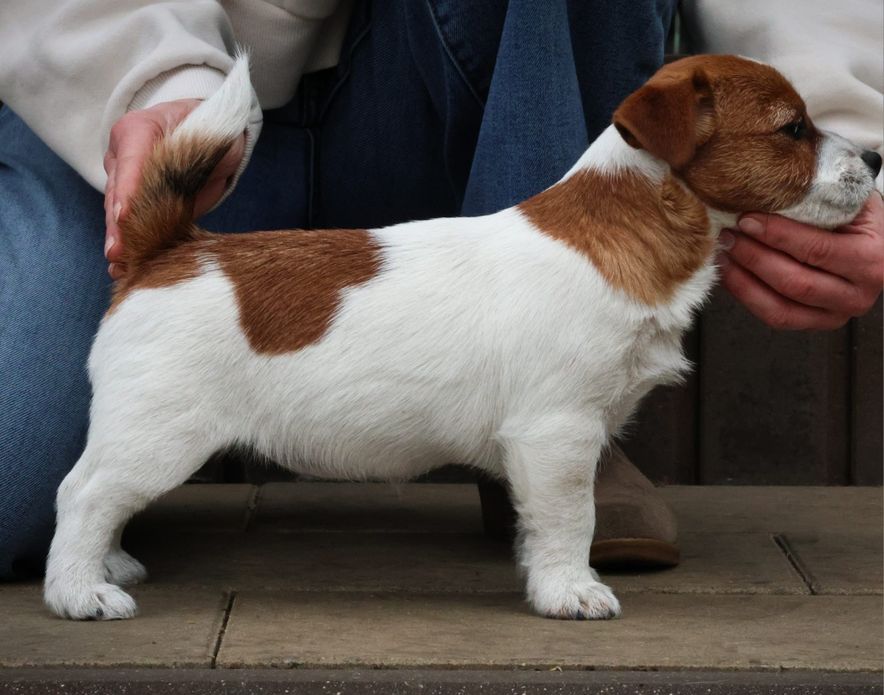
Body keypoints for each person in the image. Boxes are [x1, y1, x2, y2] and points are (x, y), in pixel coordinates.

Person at [0, 0, 881, 579]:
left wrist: (846, 114)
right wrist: (154, 81)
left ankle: (547, 412)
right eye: (790, 135)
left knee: (552, 411)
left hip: (464, 76)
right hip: (114, 93)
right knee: (19, 491)